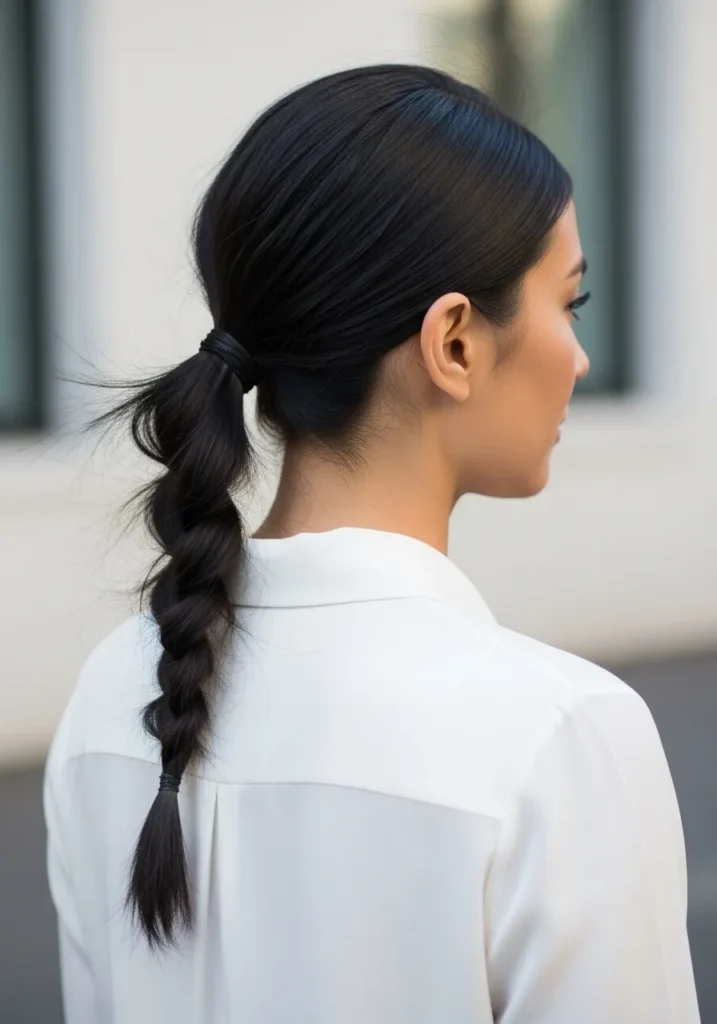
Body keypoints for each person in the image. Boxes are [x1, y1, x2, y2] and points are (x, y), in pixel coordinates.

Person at [43, 64, 700, 1023]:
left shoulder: (112, 694)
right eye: (571, 303)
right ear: (455, 343)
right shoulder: (559, 734)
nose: (580, 356)